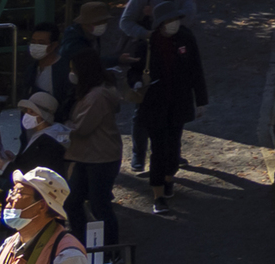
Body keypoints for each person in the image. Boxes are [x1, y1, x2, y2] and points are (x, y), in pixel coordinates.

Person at [133, 18, 207, 201]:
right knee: (158, 149)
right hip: (154, 104)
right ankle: (158, 194)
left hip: (178, 103)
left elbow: (196, 69)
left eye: (177, 20)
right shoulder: (147, 44)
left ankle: (168, 178)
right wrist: (135, 82)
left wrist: (201, 100)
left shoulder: (185, 38)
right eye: (170, 20)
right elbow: (135, 69)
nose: (174, 24)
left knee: (173, 146)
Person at [63, 64, 128, 238]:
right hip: (88, 156)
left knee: (99, 206)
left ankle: (111, 249)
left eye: (73, 69)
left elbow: (82, 128)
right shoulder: (93, 93)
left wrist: (66, 126)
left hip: (100, 158)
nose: (71, 73)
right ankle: (80, 241)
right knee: (73, 201)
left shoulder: (96, 96)